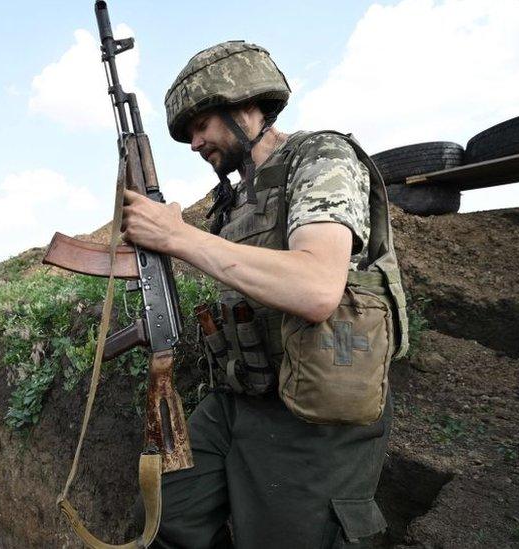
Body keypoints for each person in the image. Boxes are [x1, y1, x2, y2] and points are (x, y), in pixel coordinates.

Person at [122, 41, 409, 548]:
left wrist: (179, 238)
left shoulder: (321, 157)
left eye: (201, 126)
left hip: (315, 417)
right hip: (241, 396)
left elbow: (317, 287)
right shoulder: (233, 200)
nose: (194, 143)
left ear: (243, 107)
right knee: (166, 515)